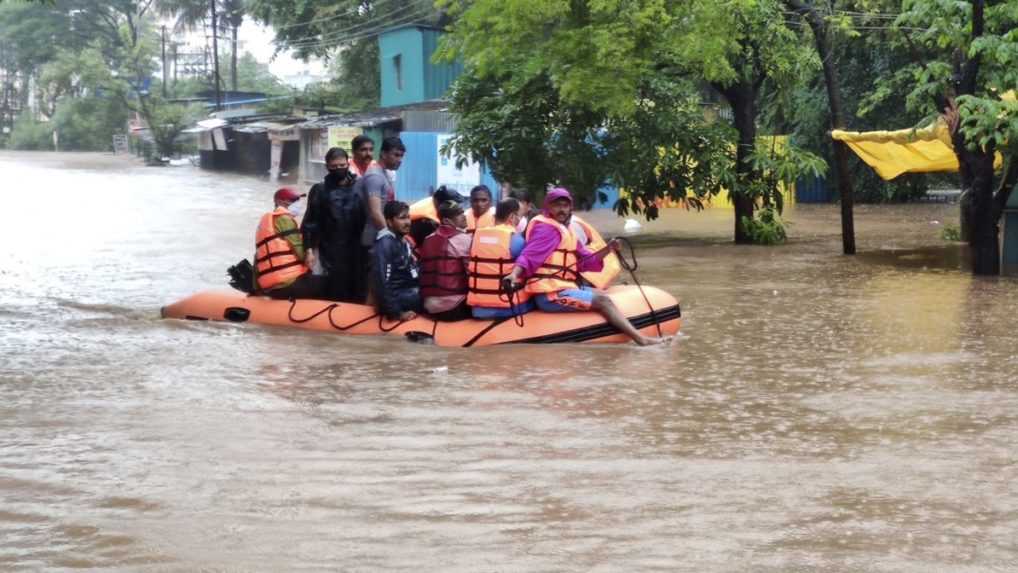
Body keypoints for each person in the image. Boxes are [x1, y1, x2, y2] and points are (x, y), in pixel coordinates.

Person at [506, 187, 662, 346]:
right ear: (548, 207)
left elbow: (587, 260)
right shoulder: (546, 229)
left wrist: (608, 249)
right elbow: (530, 255)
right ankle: (641, 339)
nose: (562, 210)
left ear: (570, 208)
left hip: (562, 287)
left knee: (603, 294)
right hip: (549, 294)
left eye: (565, 206)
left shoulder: (565, 230)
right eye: (557, 205)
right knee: (603, 301)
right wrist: (514, 274)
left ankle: (631, 331)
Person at [300, 147, 367, 302]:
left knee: (357, 284)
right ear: (327, 167)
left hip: (357, 247)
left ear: (348, 163)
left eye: (342, 165)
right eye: (334, 167)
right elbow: (310, 222)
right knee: (335, 285)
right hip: (331, 248)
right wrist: (309, 250)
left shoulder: (358, 187)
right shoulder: (320, 190)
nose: (339, 169)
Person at [468, 198, 535, 319]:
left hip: (477, 309)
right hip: (507, 307)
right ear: (512, 217)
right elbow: (529, 267)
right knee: (537, 301)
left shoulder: (476, 236)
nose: (520, 220)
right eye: (519, 216)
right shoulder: (516, 240)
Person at [254, 187, 326, 300]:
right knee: (330, 283)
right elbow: (302, 254)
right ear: (279, 202)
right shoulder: (284, 219)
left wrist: (257, 289)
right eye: (293, 200)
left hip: (271, 286)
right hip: (289, 282)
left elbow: (257, 259)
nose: (298, 204)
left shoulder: (264, 224)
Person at [356, 136, 405, 271]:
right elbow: (375, 211)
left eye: (401, 156)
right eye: (396, 155)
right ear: (383, 154)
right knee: (375, 283)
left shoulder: (382, 174)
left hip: (380, 238)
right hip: (374, 239)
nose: (400, 160)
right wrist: (389, 238)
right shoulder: (375, 176)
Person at [418, 201, 473, 321]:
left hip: (428, 306)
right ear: (447, 221)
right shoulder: (464, 239)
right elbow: (471, 274)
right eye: (458, 214)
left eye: (463, 212)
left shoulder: (427, 239)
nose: (464, 216)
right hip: (455, 307)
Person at [372, 201, 421, 321]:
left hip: (409, 291)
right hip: (400, 297)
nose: (408, 222)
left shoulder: (401, 240)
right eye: (402, 218)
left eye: (408, 217)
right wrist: (397, 313)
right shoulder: (386, 244)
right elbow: (382, 282)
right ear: (389, 222)